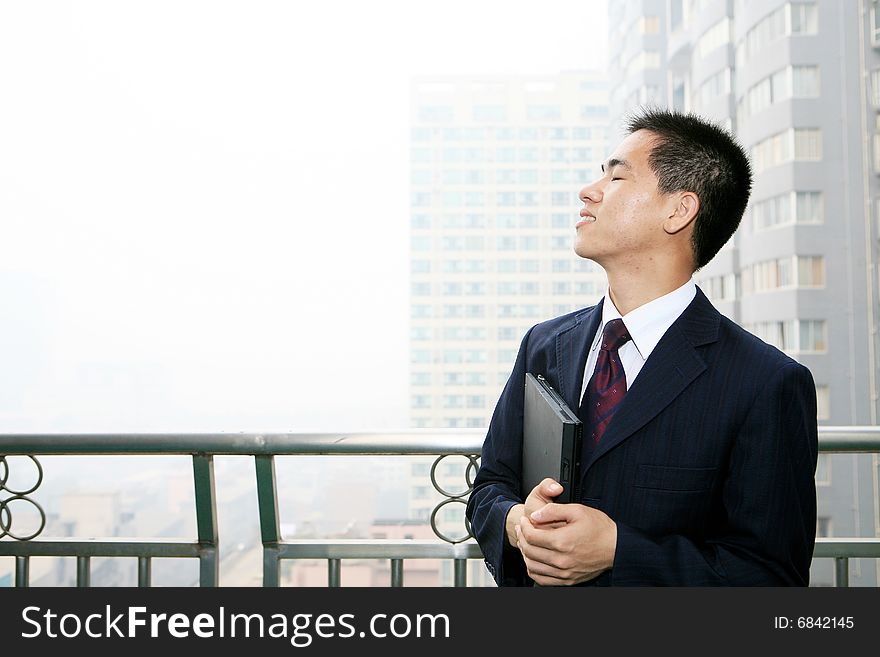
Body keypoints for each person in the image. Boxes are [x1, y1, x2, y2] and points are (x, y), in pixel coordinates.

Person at [465, 108, 818, 586]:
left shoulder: (765, 382)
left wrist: (618, 550)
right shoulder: (545, 346)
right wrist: (517, 525)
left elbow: (770, 576)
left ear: (679, 210)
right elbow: (490, 488)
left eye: (616, 176)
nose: (588, 191)